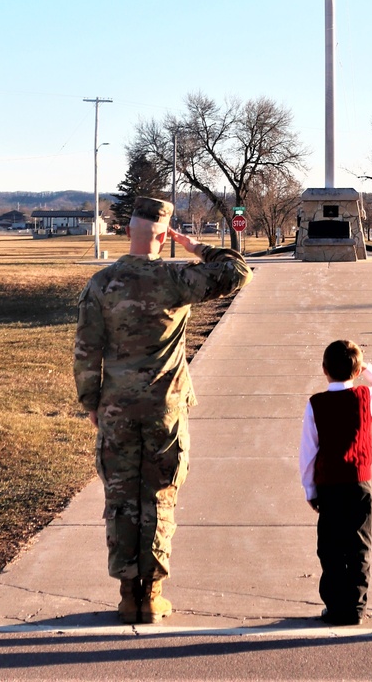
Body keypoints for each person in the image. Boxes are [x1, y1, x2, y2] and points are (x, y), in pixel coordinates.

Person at [74, 195, 251, 624]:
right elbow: (237, 271)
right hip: (165, 408)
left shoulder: (102, 283)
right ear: (162, 234)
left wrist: (91, 401)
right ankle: (152, 595)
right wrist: (196, 247)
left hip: (117, 406)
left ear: (127, 231)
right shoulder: (177, 279)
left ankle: (126, 595)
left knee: (120, 499)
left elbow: (85, 350)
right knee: (159, 497)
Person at [299, 338, 372, 626]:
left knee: (329, 546)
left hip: (328, 485)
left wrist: (309, 489)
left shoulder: (316, 404)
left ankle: (334, 604)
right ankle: (355, 606)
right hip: (358, 484)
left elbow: (309, 451)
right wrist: (369, 369)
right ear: (356, 372)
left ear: (323, 370)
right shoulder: (366, 399)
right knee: (358, 546)